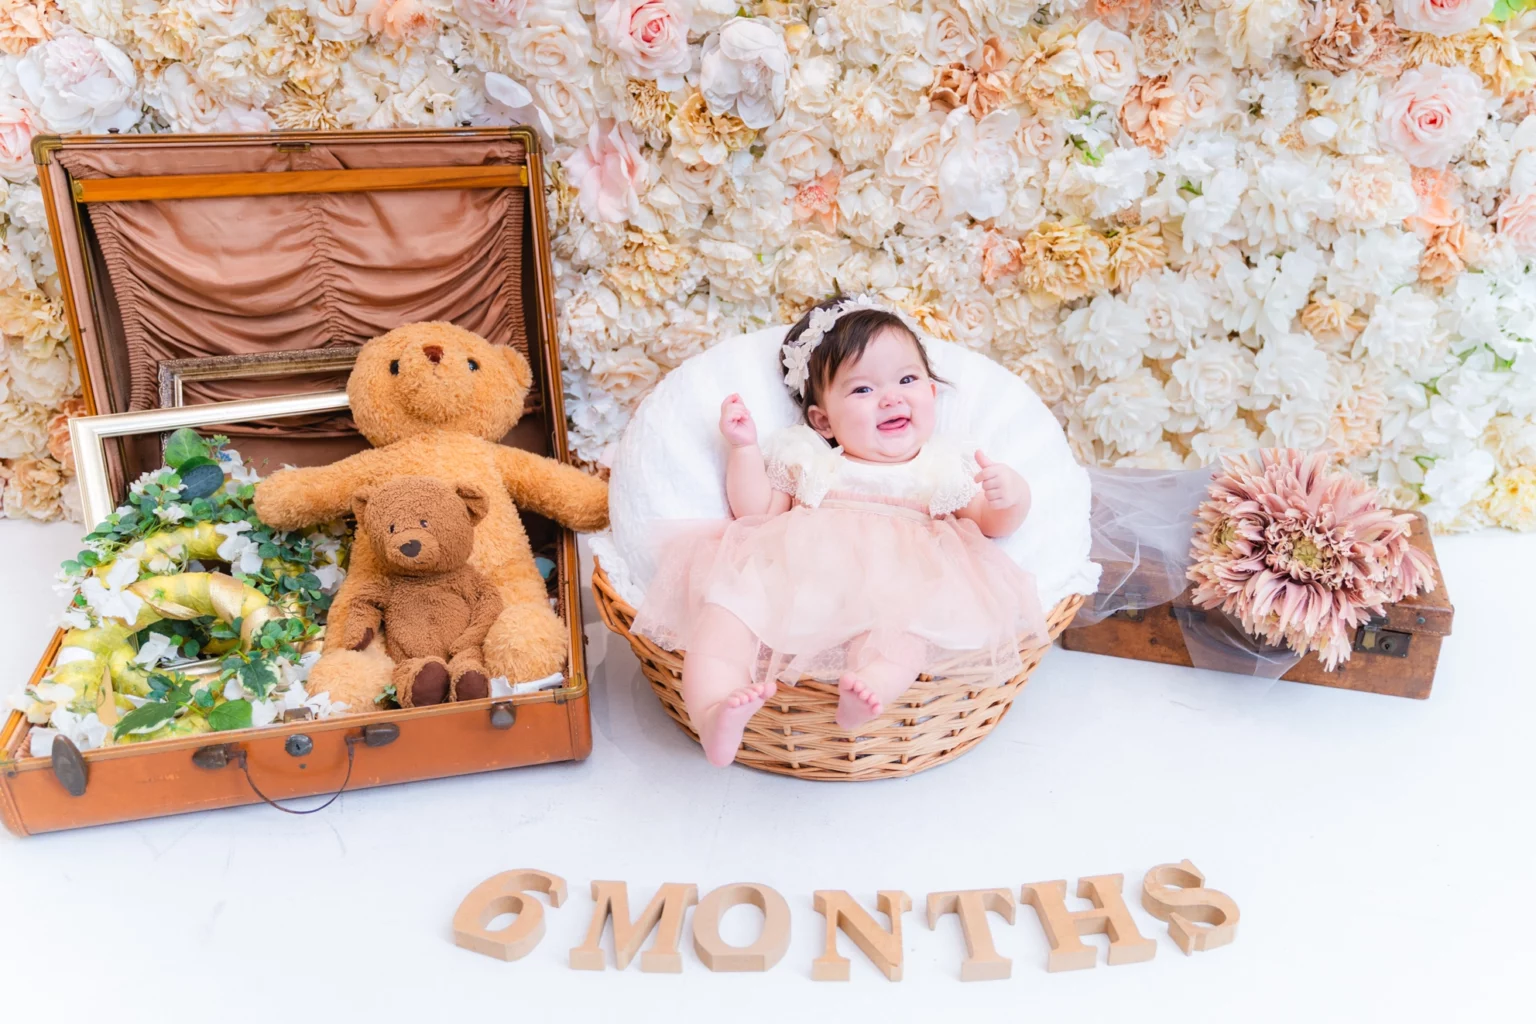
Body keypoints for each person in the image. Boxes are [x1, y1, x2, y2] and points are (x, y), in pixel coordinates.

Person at [632, 295, 1047, 766]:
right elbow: (757, 511)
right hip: (795, 578)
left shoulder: (942, 466)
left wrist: (1011, 495)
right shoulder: (809, 457)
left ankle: (870, 689)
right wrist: (743, 449)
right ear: (823, 420)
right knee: (727, 610)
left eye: (907, 380)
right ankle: (712, 711)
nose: (891, 398)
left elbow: (990, 522)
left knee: (905, 636)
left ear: (932, 394)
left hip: (897, 587)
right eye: (862, 389)